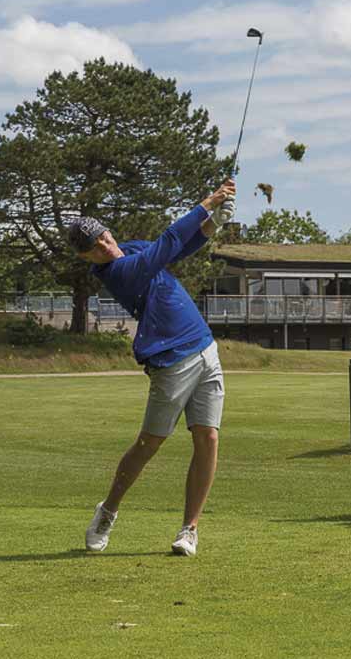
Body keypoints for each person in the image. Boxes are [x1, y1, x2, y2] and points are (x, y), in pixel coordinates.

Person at [70, 179, 236, 557]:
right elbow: (167, 243)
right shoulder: (119, 272)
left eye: (103, 236)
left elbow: (181, 247)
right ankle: (108, 510)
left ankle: (189, 529)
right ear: (86, 258)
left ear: (106, 231)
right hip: (170, 362)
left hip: (205, 348)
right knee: (149, 444)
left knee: (208, 437)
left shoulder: (131, 249)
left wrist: (213, 224)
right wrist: (207, 202)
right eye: (94, 247)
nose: (103, 245)